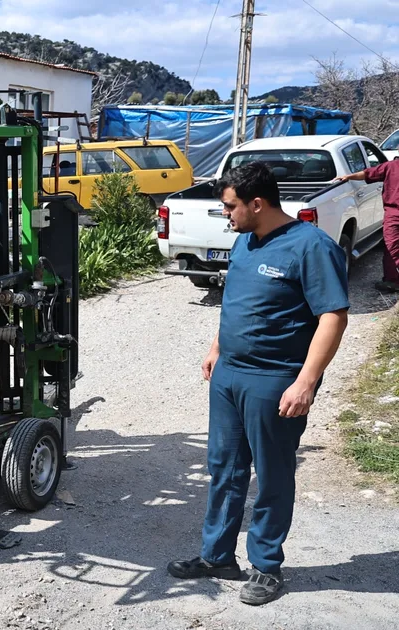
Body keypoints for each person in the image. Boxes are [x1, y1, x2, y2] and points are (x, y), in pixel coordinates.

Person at [168, 162, 349, 605]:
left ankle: (266, 567)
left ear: (257, 203)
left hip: (275, 380)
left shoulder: (310, 246)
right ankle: (217, 557)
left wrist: (305, 382)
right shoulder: (247, 240)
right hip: (230, 375)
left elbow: (333, 316)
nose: (225, 214)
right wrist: (216, 346)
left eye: (229, 206)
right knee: (224, 469)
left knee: (271, 475)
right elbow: (235, 299)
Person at [336, 157, 399, 292]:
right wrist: (348, 177)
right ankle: (392, 281)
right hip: (394, 214)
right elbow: (367, 174)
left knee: (392, 247)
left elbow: (367, 173)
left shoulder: (391, 166)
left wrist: (348, 176)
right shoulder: (390, 166)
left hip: (393, 214)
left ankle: (392, 280)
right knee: (392, 247)